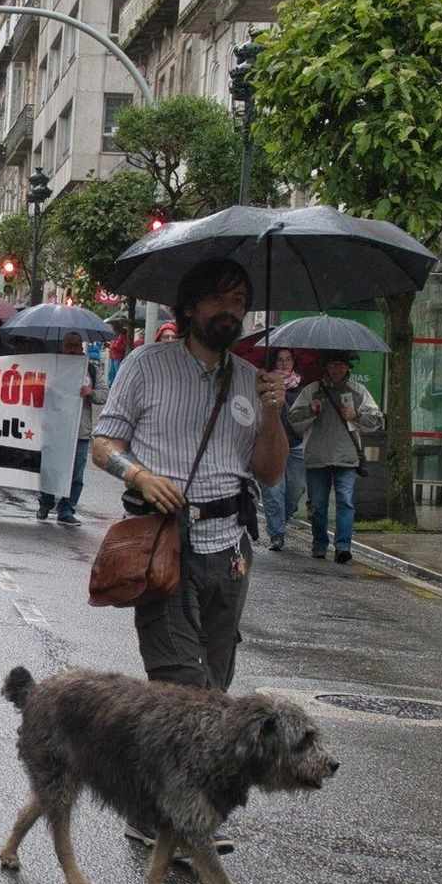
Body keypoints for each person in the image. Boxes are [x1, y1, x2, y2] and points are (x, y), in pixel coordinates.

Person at [91, 257, 290, 852]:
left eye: (240, 300)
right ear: (190, 307)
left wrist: (274, 412)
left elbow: (271, 472)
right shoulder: (149, 367)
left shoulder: (253, 379)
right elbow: (104, 441)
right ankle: (169, 820)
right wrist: (140, 474)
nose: (231, 310)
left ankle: (159, 807)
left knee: (216, 690)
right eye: (219, 299)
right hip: (164, 545)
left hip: (229, 550)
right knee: (181, 688)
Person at [289, 350, 383, 564]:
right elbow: (293, 419)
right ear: (326, 367)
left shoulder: (358, 392)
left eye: (340, 365)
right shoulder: (313, 390)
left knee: (345, 502)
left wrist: (356, 415)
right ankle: (320, 544)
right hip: (317, 456)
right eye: (332, 365)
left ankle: (343, 546)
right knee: (319, 505)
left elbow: (376, 420)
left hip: (346, 456)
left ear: (348, 367)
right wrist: (311, 410)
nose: (336, 369)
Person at [37, 331, 107, 526]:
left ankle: (66, 509)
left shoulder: (91, 370)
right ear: (62, 347)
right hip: (55, 429)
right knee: (50, 469)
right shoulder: (53, 366)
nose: (72, 350)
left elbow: (104, 395)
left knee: (76, 474)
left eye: (76, 346)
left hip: (79, 432)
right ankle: (45, 503)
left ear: (81, 348)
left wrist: (89, 392)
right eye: (69, 346)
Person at [259, 348, 307, 551]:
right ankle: (277, 533)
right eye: (280, 360)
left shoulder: (302, 388)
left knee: (295, 489)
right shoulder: (264, 386)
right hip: (271, 444)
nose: (284, 364)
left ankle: (281, 519)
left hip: (296, 444)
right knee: (273, 490)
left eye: (288, 360)